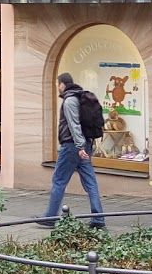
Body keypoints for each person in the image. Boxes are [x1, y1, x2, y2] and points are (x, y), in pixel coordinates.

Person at [43, 72, 107, 229]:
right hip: (83, 145)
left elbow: (74, 125)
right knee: (90, 181)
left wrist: (79, 146)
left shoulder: (70, 100)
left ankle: (50, 217)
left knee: (59, 180)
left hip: (72, 147)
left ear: (63, 84)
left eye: (58, 85)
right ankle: (98, 219)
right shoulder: (80, 97)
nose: (58, 88)